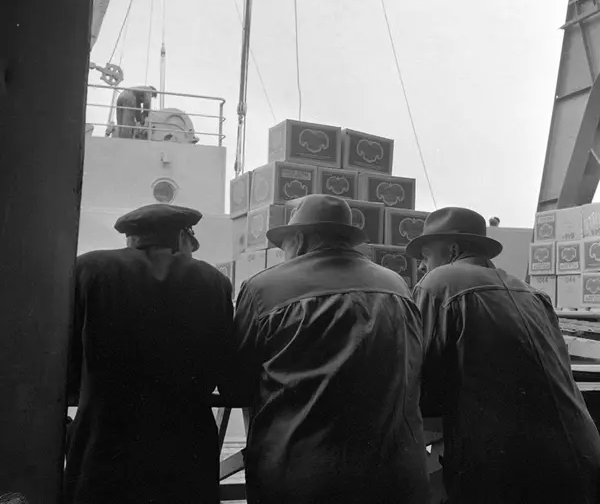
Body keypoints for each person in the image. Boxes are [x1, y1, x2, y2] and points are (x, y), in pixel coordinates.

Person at [231, 194, 430, 504]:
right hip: (397, 478)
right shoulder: (397, 286)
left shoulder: (264, 289)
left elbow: (236, 386)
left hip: (301, 479)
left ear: (299, 239)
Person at [407, 206, 600, 504]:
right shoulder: (532, 293)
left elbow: (418, 382)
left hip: (509, 472)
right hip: (582, 455)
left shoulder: (439, 283)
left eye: (426, 256)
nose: (421, 267)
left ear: (452, 250)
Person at [64, 204, 235, 504]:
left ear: (131, 239)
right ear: (181, 237)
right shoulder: (213, 281)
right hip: (186, 449)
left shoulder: (87, 269)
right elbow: (221, 367)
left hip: (103, 446)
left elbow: (67, 362)